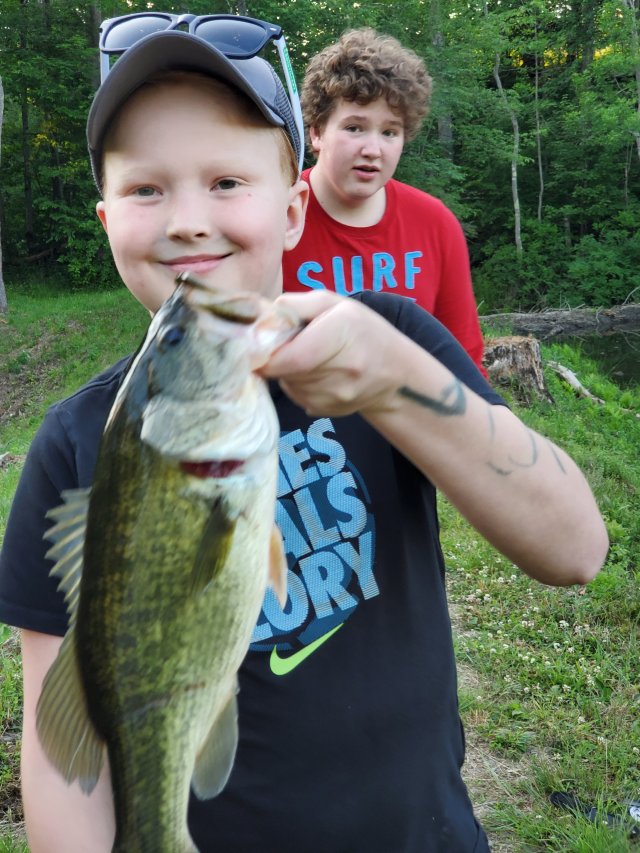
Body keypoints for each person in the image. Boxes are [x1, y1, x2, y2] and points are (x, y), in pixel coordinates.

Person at [0, 13, 608, 853]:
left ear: (293, 212)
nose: (187, 220)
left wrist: (397, 382)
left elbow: (576, 548)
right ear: (106, 220)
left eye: (226, 181)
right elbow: (60, 744)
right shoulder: (73, 443)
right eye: (146, 189)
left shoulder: (389, 341)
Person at [283, 27, 488, 375]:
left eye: (390, 132)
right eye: (354, 127)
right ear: (316, 132)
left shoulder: (435, 224)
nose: (373, 149)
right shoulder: (276, 215)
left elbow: (464, 363)